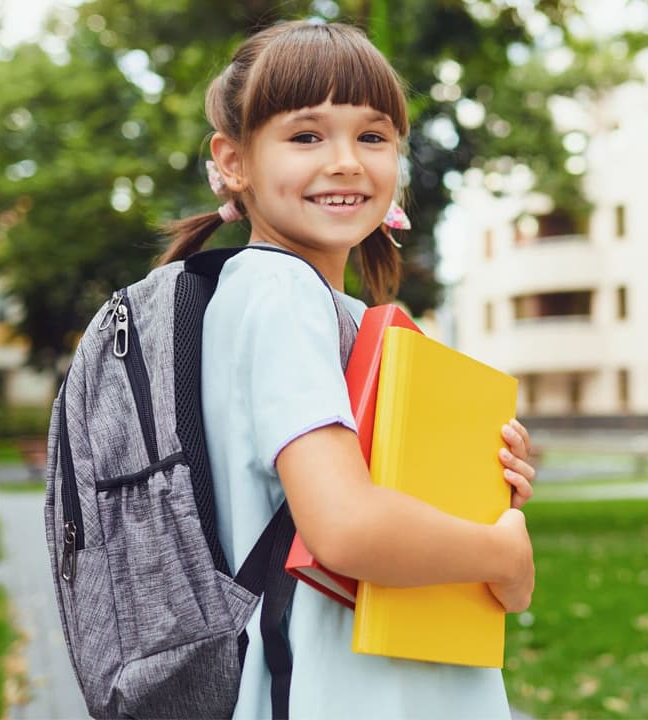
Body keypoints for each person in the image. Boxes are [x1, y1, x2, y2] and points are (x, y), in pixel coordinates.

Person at [156, 20, 537, 720]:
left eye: (372, 136)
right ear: (233, 161)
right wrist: (501, 554)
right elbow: (345, 526)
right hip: (350, 686)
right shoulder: (284, 294)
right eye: (306, 136)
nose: (346, 162)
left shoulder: (248, 294)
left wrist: (483, 486)